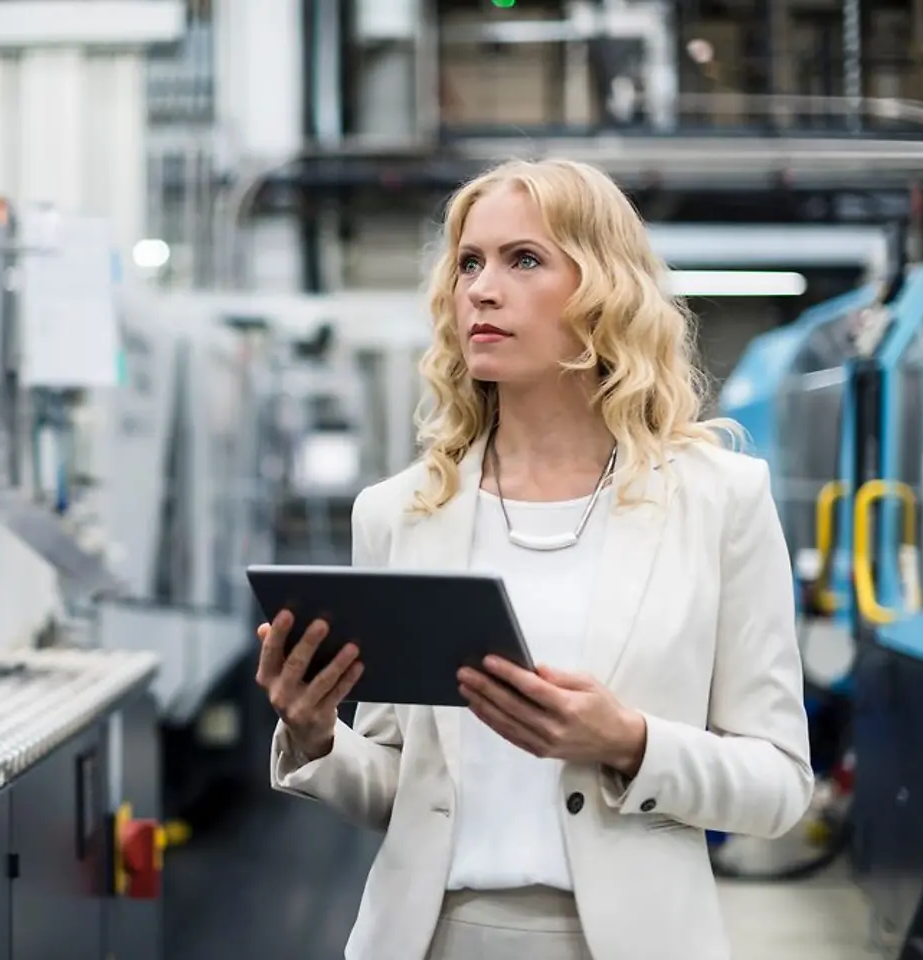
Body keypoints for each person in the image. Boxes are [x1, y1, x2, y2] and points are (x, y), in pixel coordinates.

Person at [254, 158, 813, 960]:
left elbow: (780, 785)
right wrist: (313, 736)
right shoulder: (401, 513)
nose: (482, 289)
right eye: (469, 264)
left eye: (524, 260)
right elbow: (396, 788)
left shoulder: (719, 501)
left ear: (604, 289)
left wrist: (628, 741)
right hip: (431, 938)